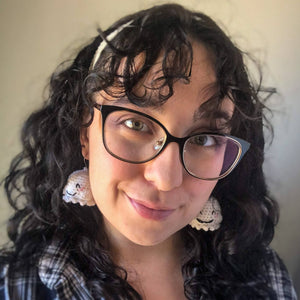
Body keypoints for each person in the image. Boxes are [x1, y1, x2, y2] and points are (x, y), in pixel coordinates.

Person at [0, 3, 297, 300]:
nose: (166, 179)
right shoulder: (16, 285)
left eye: (204, 139)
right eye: (135, 124)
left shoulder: (263, 277)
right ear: (84, 132)